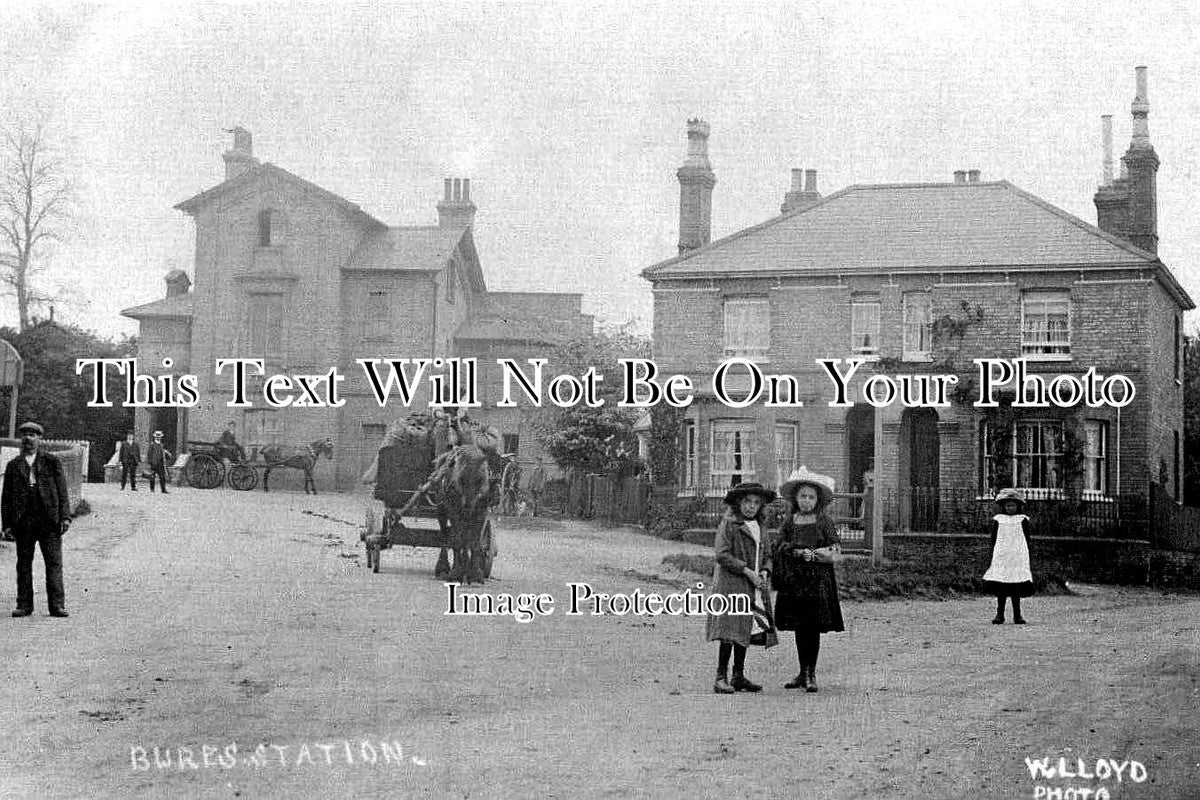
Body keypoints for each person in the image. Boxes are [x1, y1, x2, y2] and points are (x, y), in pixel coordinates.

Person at [772, 466, 844, 692]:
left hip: (817, 580)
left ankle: (811, 673)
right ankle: (802, 672)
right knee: (799, 626)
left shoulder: (823, 521)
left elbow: (835, 550)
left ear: (817, 500)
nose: (806, 500)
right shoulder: (790, 521)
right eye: (802, 496)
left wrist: (813, 554)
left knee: (812, 627)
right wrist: (792, 551)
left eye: (811, 497)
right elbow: (778, 545)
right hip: (794, 580)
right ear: (795, 498)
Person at [706, 482, 778, 694]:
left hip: (754, 584)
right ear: (738, 503)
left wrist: (765, 570)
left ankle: (738, 675)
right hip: (732, 583)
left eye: (756, 503)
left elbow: (768, 555)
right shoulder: (729, 524)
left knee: (745, 627)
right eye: (747, 501)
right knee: (729, 629)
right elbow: (722, 554)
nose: (751, 506)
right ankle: (721, 676)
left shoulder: (760, 527)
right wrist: (748, 572)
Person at [4, 422, 73, 618]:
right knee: (23, 564)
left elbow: (62, 491)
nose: (28, 438)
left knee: (54, 563)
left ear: (39, 438)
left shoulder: (52, 462)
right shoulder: (13, 465)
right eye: (25, 434)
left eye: (33, 434)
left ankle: (57, 605)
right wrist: (7, 524)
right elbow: (6, 497)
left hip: (49, 521)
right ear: (21, 439)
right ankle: (24, 605)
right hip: (23, 522)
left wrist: (65, 517)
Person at [983, 488, 1034, 624]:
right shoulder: (999, 520)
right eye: (1007, 505)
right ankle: (1000, 614)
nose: (1010, 508)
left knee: (1015, 585)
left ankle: (1017, 615)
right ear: (1003, 507)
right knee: (1002, 585)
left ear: (1018, 506)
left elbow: (1026, 538)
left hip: (1017, 555)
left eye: (1013, 505)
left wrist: (1022, 552)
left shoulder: (1022, 520)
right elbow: (994, 538)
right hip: (1002, 556)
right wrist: (997, 552)